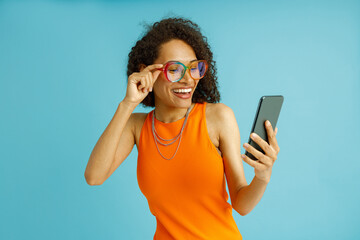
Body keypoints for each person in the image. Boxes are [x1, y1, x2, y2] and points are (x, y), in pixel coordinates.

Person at [84, 17, 280, 240]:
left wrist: (262, 176)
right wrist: (128, 103)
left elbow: (241, 204)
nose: (188, 79)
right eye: (175, 69)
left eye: (194, 68)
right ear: (146, 72)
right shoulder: (136, 126)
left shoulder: (217, 117)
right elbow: (94, 176)